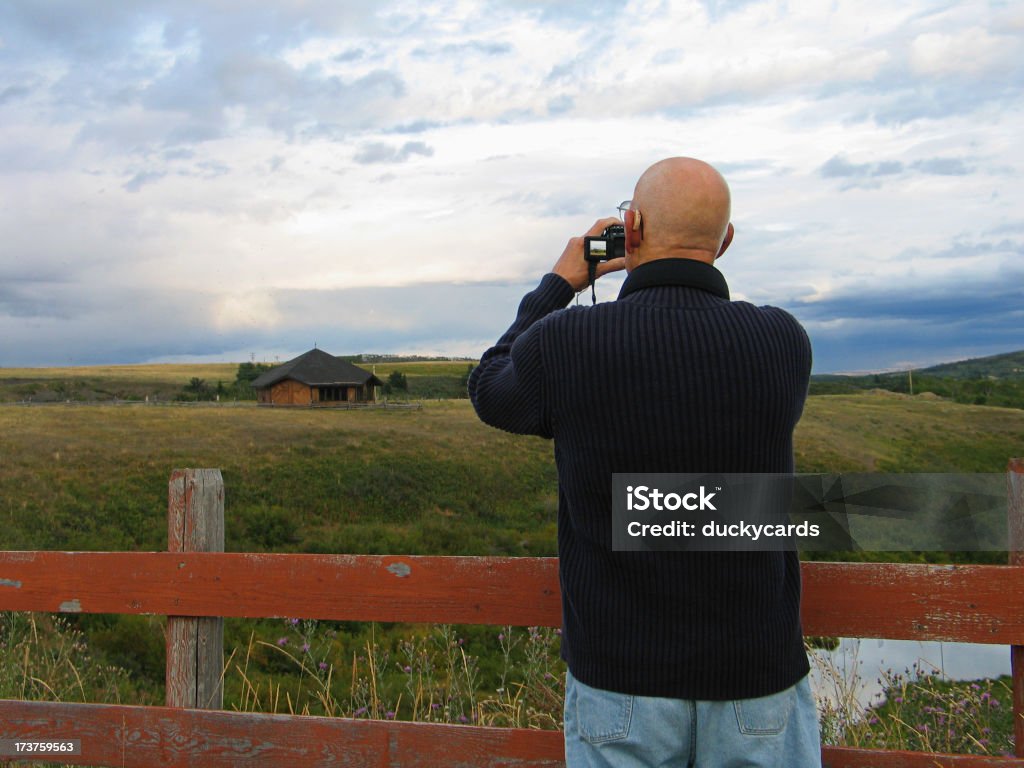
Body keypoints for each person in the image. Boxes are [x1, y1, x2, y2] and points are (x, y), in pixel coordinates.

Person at [468, 157, 820, 767]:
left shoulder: (568, 342)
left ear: (630, 230)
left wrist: (560, 284)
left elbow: (490, 390)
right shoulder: (782, 340)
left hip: (620, 678)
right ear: (726, 241)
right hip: (755, 675)